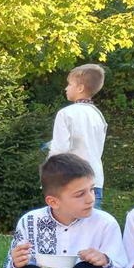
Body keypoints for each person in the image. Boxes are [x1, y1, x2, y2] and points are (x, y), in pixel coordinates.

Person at [48, 63, 108, 207]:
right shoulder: (98, 116)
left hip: (71, 182)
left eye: (69, 84)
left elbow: (59, 150)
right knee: (92, 221)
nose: (66, 88)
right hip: (95, 181)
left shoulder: (66, 114)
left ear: (80, 88)